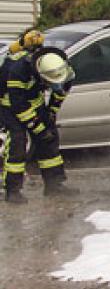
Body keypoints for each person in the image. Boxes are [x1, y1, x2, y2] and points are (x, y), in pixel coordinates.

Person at [1, 46, 76, 202]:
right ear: (40, 74)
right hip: (10, 107)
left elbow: (61, 92)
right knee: (17, 144)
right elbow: (18, 105)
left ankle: (54, 185)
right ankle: (12, 190)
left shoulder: (64, 70)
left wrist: (52, 111)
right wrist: (38, 128)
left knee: (49, 140)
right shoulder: (18, 71)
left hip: (35, 102)